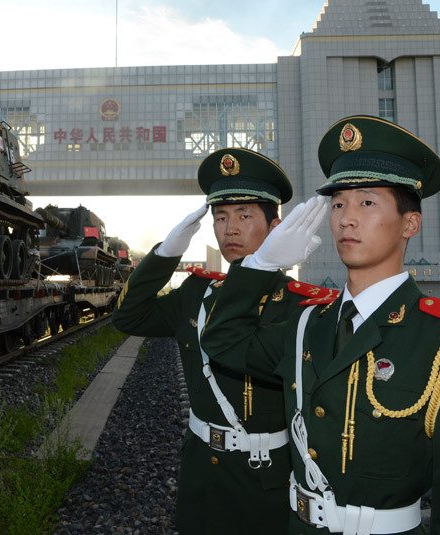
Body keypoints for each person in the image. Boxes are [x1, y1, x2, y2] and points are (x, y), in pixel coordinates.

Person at [201, 116, 440, 535]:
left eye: (366, 203)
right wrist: (260, 264)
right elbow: (222, 341)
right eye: (338, 204)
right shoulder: (308, 324)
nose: (346, 219)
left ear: (410, 223)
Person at [111, 147, 335, 534]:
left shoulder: (300, 306)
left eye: (244, 216)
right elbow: (129, 316)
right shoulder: (198, 293)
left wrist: (260, 269)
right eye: (220, 217)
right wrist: (166, 254)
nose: (229, 229)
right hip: (199, 471)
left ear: (276, 227)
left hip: (263, 478)